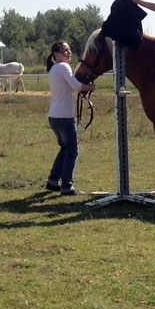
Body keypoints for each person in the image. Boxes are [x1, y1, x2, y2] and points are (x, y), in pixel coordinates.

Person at [45, 41, 95, 195]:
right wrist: (89, 87)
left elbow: (69, 86)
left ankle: (53, 181)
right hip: (64, 117)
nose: (69, 52)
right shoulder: (64, 67)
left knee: (64, 149)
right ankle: (67, 186)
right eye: (65, 50)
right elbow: (76, 86)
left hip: (54, 116)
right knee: (72, 151)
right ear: (56, 54)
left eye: (69, 50)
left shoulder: (54, 69)